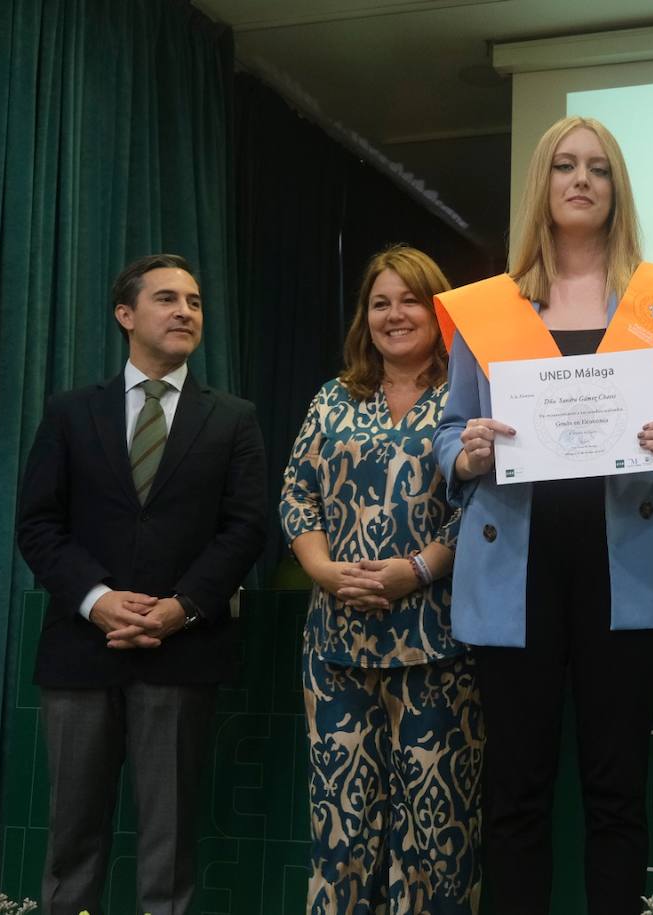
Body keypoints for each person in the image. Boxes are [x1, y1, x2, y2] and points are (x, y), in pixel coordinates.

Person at [433, 116, 653, 915]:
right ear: (543, 185)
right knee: (516, 793)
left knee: (617, 790)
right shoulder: (490, 307)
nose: (582, 179)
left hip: (626, 567)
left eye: (598, 167)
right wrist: (468, 450)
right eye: (565, 166)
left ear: (616, 187)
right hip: (514, 569)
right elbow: (449, 432)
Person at [16, 254, 266, 915]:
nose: (185, 310)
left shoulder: (233, 418)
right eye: (166, 298)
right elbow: (38, 523)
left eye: (195, 300)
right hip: (79, 651)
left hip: (181, 652)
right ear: (126, 315)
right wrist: (97, 600)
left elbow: (245, 531)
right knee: (72, 840)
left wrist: (180, 608)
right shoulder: (70, 413)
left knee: (171, 842)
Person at [280, 245, 481, 914]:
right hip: (335, 645)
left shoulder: (469, 394)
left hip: (438, 646)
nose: (394, 314)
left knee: (435, 834)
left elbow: (489, 504)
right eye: (379, 302)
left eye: (410, 300)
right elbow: (296, 493)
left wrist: (416, 569)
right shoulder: (334, 396)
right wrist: (322, 569)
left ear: (438, 308)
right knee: (339, 832)